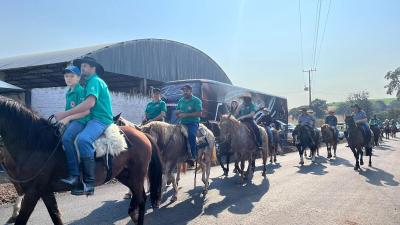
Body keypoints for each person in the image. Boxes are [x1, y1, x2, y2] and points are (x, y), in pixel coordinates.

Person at [55, 57, 113, 196]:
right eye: (82, 66)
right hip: (93, 118)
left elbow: (89, 104)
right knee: (66, 138)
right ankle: (74, 176)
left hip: (100, 119)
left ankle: (89, 182)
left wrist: (65, 115)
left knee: (83, 139)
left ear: (93, 68)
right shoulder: (87, 84)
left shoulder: (94, 81)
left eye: (85, 66)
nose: (83, 69)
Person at [176, 84, 203, 166]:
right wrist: (178, 113)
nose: (185, 92)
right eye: (183, 91)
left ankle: (193, 156)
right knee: (173, 135)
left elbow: (199, 113)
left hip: (193, 123)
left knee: (191, 135)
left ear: (191, 91)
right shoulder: (180, 100)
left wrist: (186, 115)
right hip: (182, 123)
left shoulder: (196, 100)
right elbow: (177, 111)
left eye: (186, 90)